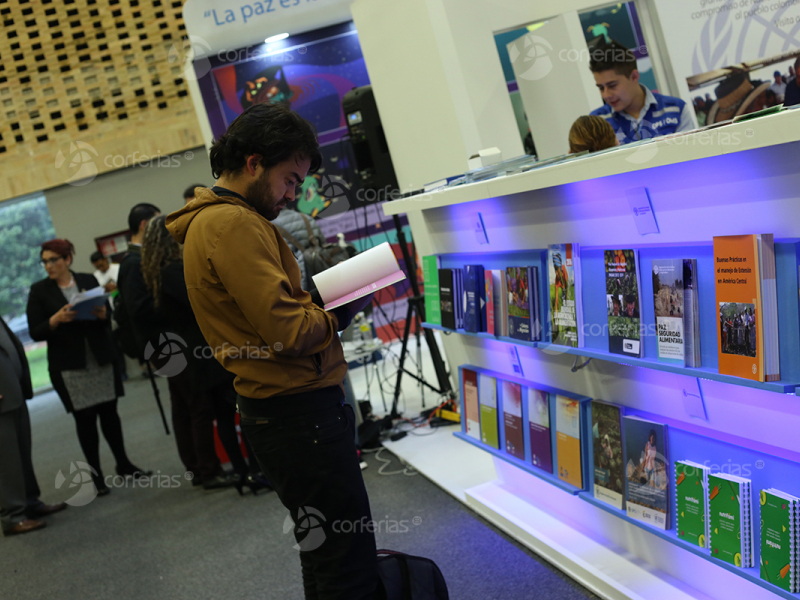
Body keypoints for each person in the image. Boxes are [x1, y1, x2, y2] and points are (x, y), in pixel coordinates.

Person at [166, 102, 378, 599]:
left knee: (325, 551)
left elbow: (271, 315)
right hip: (299, 415)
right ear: (254, 162)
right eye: (288, 179)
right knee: (347, 560)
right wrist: (343, 308)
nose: (291, 194)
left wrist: (317, 302)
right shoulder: (233, 225)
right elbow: (289, 331)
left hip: (282, 411)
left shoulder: (219, 221)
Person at [141, 216, 270, 495]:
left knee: (223, 416)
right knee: (238, 410)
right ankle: (254, 470)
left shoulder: (156, 274)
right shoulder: (175, 272)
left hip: (193, 354)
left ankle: (242, 472)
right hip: (206, 350)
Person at [117, 205, 232, 490]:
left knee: (185, 406)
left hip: (168, 342)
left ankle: (196, 466)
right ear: (145, 225)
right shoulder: (133, 262)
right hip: (166, 344)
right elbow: (138, 309)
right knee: (198, 404)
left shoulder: (141, 259)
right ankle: (208, 469)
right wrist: (175, 306)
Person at [26, 239, 150, 496]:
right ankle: (95, 476)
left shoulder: (88, 280)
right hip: (70, 365)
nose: (48, 265)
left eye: (53, 260)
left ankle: (124, 463)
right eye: (45, 261)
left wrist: (103, 315)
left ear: (67, 260)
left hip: (99, 357)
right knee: (85, 419)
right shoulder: (39, 291)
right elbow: (35, 331)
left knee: (110, 414)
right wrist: (55, 319)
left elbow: (106, 315)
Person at [0, 316, 68, 536]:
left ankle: (30, 503)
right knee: (6, 461)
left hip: (13, 391)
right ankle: (13, 517)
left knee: (21, 454)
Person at [590, 40, 694, 144]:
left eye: (612, 85)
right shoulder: (595, 123)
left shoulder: (676, 109)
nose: (606, 95)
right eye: (601, 88)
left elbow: (692, 154)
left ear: (634, 77)